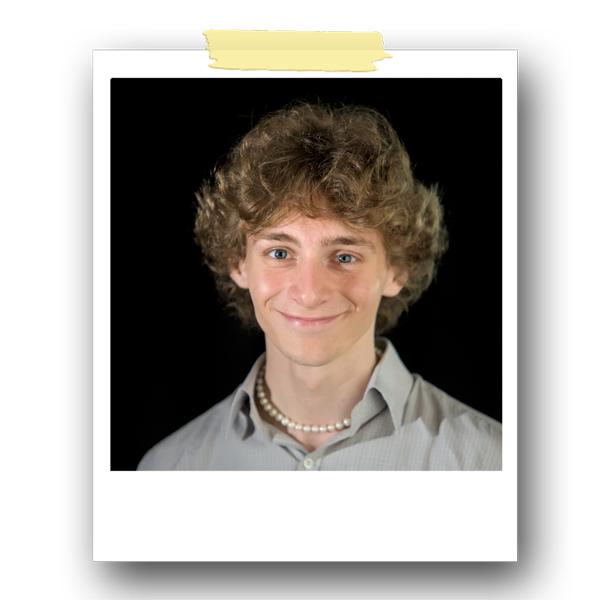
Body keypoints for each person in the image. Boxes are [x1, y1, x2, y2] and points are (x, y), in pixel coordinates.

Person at [137, 100, 501, 471]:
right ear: (238, 263)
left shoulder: (491, 462)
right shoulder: (168, 468)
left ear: (397, 269)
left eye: (344, 256)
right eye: (280, 253)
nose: (309, 293)